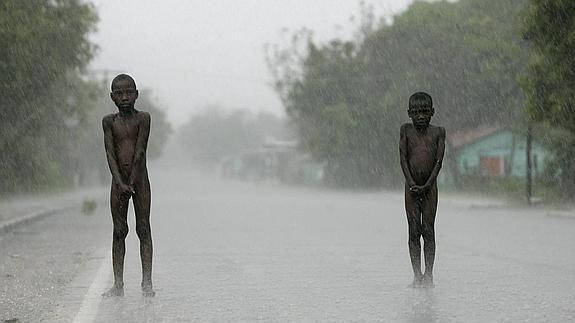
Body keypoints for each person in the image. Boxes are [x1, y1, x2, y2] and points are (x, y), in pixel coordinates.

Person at [102, 74, 155, 297]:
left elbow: (140, 150)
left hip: (140, 181)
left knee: (143, 228)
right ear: (112, 97)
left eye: (129, 92)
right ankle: (118, 284)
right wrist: (120, 182)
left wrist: (131, 181)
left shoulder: (143, 118)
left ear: (136, 95)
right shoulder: (109, 122)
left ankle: (147, 282)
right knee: (119, 230)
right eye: (120, 93)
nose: (125, 97)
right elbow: (110, 152)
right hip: (118, 183)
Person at [399, 92, 445, 288]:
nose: (420, 116)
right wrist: (411, 182)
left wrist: (427, 185)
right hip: (411, 189)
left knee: (428, 231)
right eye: (416, 112)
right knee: (413, 231)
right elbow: (403, 159)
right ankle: (417, 275)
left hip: (430, 189)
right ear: (409, 113)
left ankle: (429, 275)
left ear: (432, 112)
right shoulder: (406, 131)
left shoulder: (438, 132)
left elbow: (438, 162)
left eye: (425, 112)